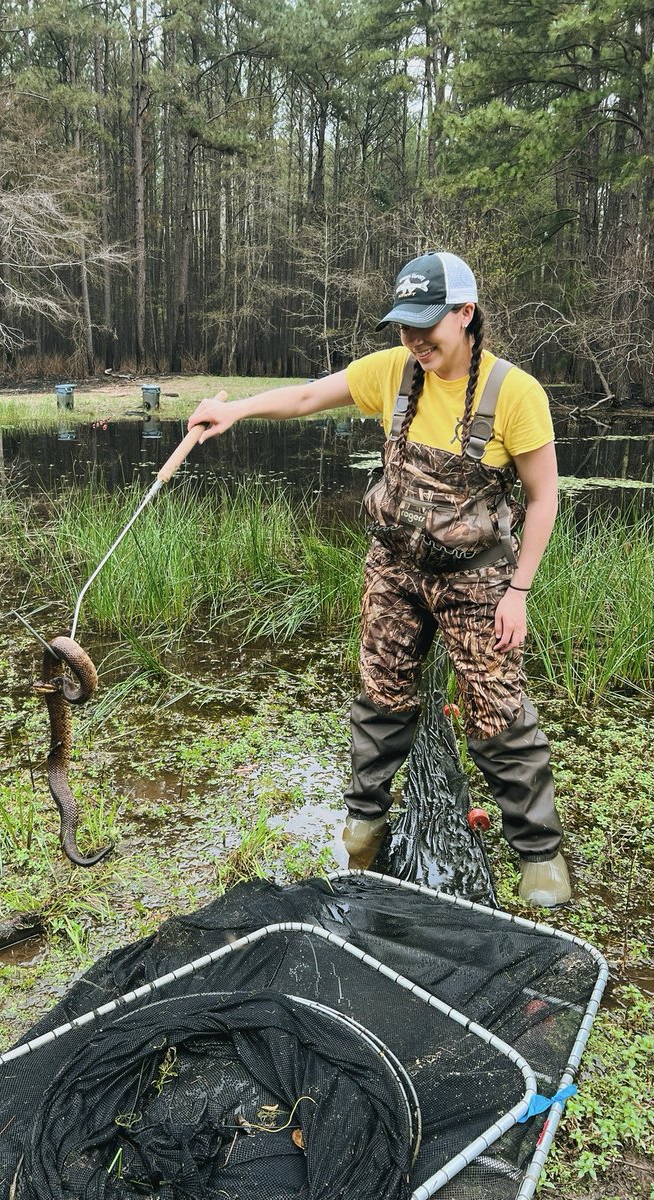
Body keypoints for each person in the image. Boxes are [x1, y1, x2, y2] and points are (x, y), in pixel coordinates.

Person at [188, 250, 571, 907]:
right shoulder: (393, 373)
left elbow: (544, 498)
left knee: (497, 708)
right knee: (382, 692)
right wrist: (238, 411)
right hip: (394, 567)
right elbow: (309, 395)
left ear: (466, 314)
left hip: (477, 576)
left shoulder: (514, 394)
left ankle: (539, 852)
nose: (415, 339)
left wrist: (519, 591)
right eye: (404, 325)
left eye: (428, 324)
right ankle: (367, 816)